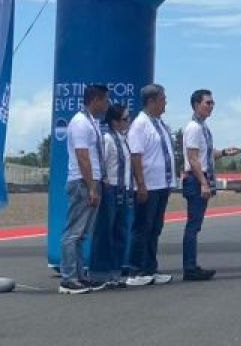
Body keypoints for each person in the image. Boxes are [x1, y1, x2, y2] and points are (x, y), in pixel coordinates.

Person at [181, 88, 241, 281]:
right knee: (193, 226)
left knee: (195, 225)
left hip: (200, 178)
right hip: (196, 179)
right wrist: (203, 183)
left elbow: (205, 155)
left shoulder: (203, 128)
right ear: (196, 105)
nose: (211, 106)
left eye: (212, 103)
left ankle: (191, 266)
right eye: (208, 103)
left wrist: (224, 152)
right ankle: (189, 268)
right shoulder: (194, 128)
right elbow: (193, 159)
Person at [59, 83, 110, 294]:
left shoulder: (92, 122)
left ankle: (80, 276)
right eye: (105, 100)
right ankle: (68, 279)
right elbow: (83, 157)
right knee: (74, 232)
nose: (107, 104)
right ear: (95, 100)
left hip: (91, 180)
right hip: (82, 181)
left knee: (81, 234)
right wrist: (91, 187)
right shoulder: (80, 123)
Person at [126, 83, 175, 287]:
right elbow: (136, 156)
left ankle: (150, 268)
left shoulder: (159, 124)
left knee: (155, 228)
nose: (165, 103)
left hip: (162, 184)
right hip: (149, 186)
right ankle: (135, 270)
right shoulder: (140, 125)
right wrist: (141, 185)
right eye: (163, 99)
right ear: (151, 101)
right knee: (142, 228)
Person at [89, 103, 132, 288]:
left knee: (120, 232)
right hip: (110, 189)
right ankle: (99, 273)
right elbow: (100, 163)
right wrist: (103, 183)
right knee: (105, 231)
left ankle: (116, 272)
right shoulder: (106, 139)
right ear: (114, 122)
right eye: (125, 119)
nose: (128, 122)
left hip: (123, 188)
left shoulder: (124, 140)